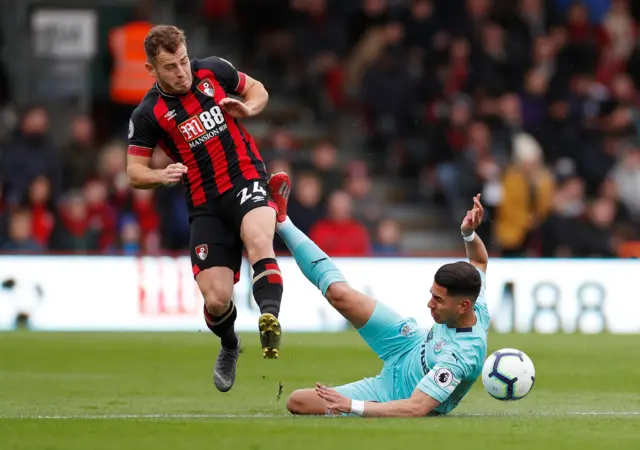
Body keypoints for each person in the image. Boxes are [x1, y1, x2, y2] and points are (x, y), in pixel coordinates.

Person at [126, 25, 284, 393]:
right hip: (204, 203)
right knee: (215, 299)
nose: (182, 72)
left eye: (183, 61)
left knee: (260, 238)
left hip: (246, 178)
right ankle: (230, 344)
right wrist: (159, 174)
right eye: (170, 67)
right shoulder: (149, 113)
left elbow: (257, 89)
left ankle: (269, 319)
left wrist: (248, 108)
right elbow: (133, 171)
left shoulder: (212, 70)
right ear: (152, 70)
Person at [267, 172, 489, 417]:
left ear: (462, 306)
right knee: (339, 294)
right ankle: (281, 219)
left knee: (298, 402)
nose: (429, 304)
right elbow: (479, 260)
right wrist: (468, 233)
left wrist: (351, 405)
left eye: (438, 300)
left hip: (394, 393)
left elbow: (416, 408)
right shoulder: (476, 302)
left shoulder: (461, 356)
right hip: (408, 341)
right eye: (432, 294)